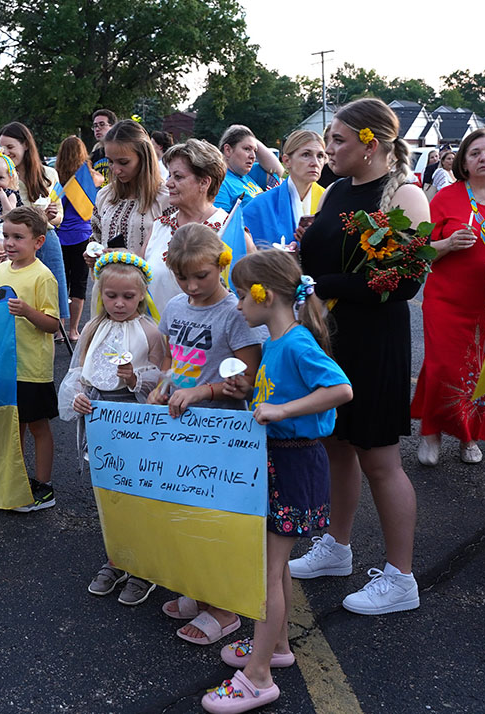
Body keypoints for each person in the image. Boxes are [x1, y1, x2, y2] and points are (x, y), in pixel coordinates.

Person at [200, 250, 352, 714]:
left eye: (243, 294)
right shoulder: (277, 343)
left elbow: (341, 389)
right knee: (276, 564)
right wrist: (250, 394)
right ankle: (279, 646)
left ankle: (260, 676)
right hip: (278, 463)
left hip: (293, 464)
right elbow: (283, 393)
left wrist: (283, 412)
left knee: (266, 572)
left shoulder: (298, 343)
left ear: (266, 295)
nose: (239, 304)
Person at [295, 97, 430, 615]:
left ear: (371, 144)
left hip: (374, 341)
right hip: (330, 338)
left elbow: (402, 282)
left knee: (378, 457)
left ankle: (401, 577)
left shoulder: (406, 196)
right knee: (336, 445)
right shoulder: (335, 192)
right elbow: (325, 256)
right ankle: (337, 547)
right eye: (329, 140)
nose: (328, 150)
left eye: (338, 141)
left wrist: (321, 281)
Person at [150, 223, 265, 645]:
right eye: (183, 277)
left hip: (222, 432)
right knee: (186, 513)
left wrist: (206, 390)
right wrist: (164, 385)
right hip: (181, 428)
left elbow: (249, 380)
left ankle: (225, 608)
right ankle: (200, 589)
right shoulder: (177, 306)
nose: (192, 285)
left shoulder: (236, 314)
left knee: (218, 520)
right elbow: (171, 359)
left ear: (221, 265)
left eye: (202, 275)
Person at [411, 129, 485, 467]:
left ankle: (469, 436)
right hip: (446, 300)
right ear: (463, 161)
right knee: (442, 367)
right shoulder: (445, 198)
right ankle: (430, 432)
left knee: (481, 372)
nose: (483, 158)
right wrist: (447, 245)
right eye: (475, 153)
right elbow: (419, 252)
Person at [59, 252, 165, 605]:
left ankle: (145, 566)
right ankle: (117, 557)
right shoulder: (92, 328)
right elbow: (79, 372)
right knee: (109, 493)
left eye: (128, 297)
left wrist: (136, 379)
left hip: (133, 422)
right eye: (111, 296)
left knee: (138, 493)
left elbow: (161, 383)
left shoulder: (150, 331)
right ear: (99, 294)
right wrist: (78, 398)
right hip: (100, 420)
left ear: (142, 295)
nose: (119, 304)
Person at [0, 207, 60, 512]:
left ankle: (44, 486)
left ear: (38, 241)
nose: (10, 242)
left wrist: (27, 312)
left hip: (33, 366)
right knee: (13, 424)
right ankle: (19, 480)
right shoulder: (0, 270)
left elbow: (52, 324)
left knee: (38, 426)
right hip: (7, 364)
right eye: (6, 235)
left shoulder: (43, 276)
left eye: (18, 237)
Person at [143, 139, 228, 314]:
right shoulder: (159, 227)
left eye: (178, 177)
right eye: (169, 175)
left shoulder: (228, 229)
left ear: (204, 183)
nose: (168, 183)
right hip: (155, 338)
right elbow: (137, 280)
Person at [0, 121, 69, 327]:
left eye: (10, 147)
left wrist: (50, 215)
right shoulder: (3, 176)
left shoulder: (49, 174)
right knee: (20, 298)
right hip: (17, 244)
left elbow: (59, 218)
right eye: (2, 148)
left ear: (26, 145)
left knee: (53, 301)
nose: (6, 153)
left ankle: (57, 344)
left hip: (46, 241)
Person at [90, 119, 169, 256]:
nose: (115, 170)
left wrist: (132, 258)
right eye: (110, 161)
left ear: (144, 158)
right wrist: (93, 254)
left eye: (123, 162)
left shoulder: (166, 198)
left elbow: (172, 255)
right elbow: (97, 238)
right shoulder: (104, 195)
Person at [55, 136, 95, 341]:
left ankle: (59, 329)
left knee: (60, 283)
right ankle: (73, 330)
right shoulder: (89, 178)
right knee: (79, 285)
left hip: (59, 236)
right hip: (82, 235)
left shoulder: (57, 179)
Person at [213, 125, 283, 212]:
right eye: (247, 149)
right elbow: (222, 223)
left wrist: (250, 138)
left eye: (255, 151)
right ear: (228, 150)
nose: (253, 156)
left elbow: (278, 171)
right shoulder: (219, 183)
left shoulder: (248, 173)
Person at [89, 109, 117, 185]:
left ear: (113, 127)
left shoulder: (121, 151)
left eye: (102, 124)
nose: (97, 129)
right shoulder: (94, 155)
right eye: (95, 126)